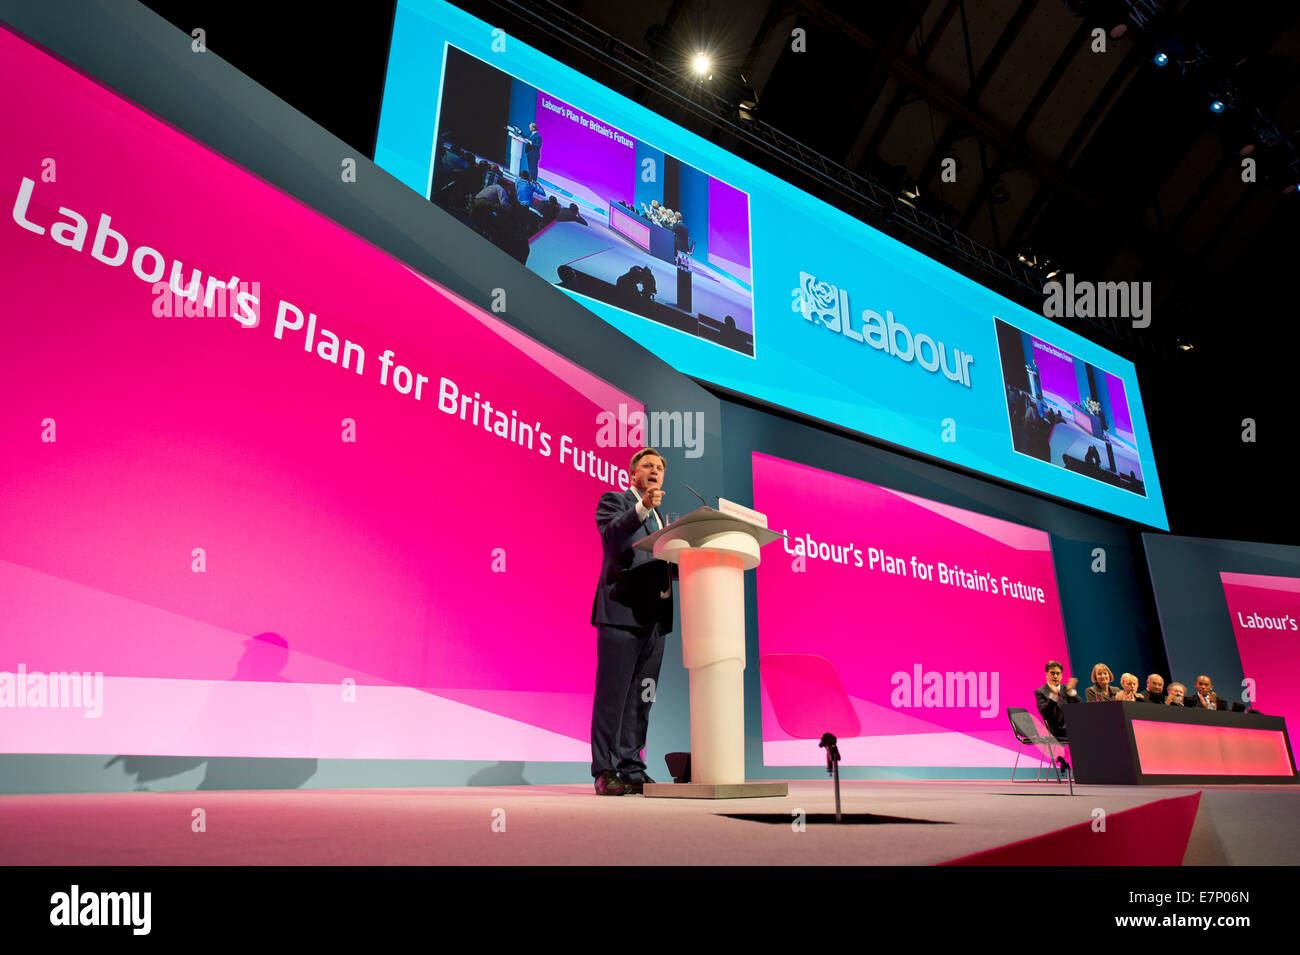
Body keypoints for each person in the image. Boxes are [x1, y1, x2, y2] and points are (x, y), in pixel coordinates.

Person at [590, 449, 676, 796]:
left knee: (642, 698)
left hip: (655, 621)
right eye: (649, 466)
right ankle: (605, 770)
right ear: (633, 475)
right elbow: (613, 537)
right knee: (612, 696)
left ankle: (632, 767)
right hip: (622, 615)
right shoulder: (615, 500)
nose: (655, 470)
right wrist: (642, 507)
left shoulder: (662, 521)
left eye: (660, 468)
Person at [1034, 660, 1081, 741]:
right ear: (1046, 675)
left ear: (1061, 676)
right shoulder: (1040, 691)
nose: (1055, 676)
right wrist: (1053, 695)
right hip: (1056, 730)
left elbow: (1080, 707)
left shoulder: (1066, 688)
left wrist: (1071, 692)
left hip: (1074, 726)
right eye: (1052, 673)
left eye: (1058, 673)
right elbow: (1044, 712)